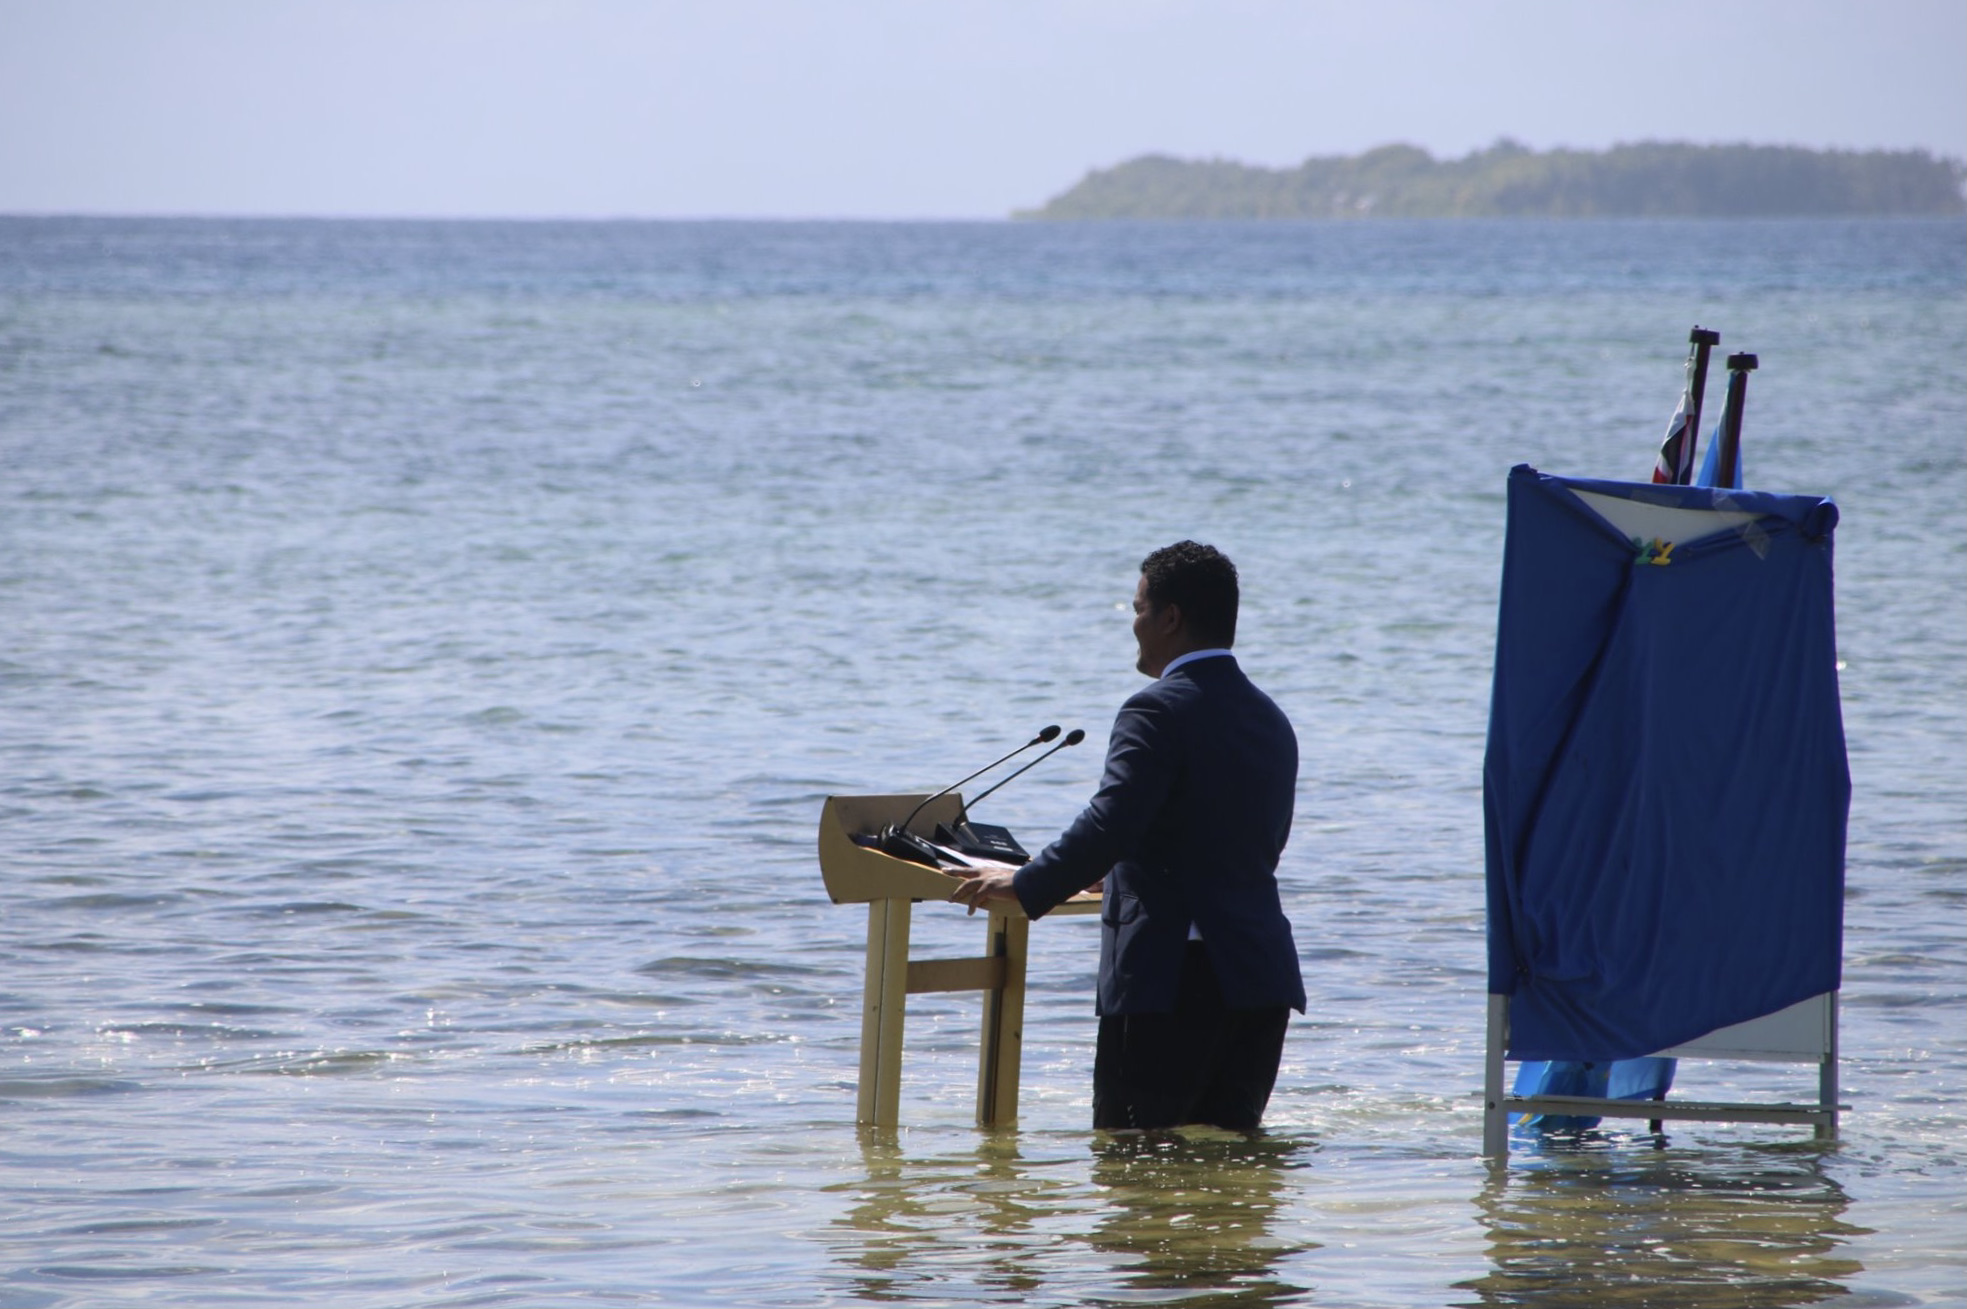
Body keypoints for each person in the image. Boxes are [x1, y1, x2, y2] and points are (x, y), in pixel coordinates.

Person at [951, 541, 1305, 1131]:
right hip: (1258, 980)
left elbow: (1111, 821)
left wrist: (1026, 880)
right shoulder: (1269, 716)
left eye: (1138, 608)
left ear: (1171, 618)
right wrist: (1118, 869)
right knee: (1227, 1185)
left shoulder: (1156, 709)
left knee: (1133, 1174)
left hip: (1172, 981)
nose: (1133, 624)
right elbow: (1235, 841)